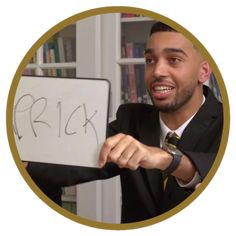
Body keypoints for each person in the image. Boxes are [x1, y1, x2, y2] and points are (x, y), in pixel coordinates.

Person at [26, 21, 223, 223]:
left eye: (173, 59)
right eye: (150, 60)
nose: (157, 72)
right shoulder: (131, 120)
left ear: (203, 72)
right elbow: (59, 168)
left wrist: (164, 158)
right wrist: (24, 159)